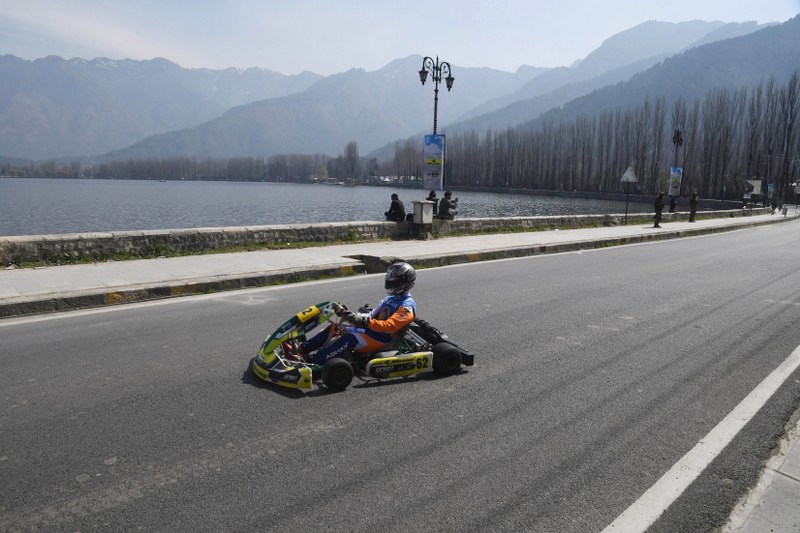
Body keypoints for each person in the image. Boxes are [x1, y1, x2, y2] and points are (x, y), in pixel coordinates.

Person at [283, 262, 417, 365]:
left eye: (393, 282)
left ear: (404, 284)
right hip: (370, 332)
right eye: (389, 281)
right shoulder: (390, 299)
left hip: (381, 339)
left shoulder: (407, 307)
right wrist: (349, 314)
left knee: (350, 338)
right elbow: (371, 315)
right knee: (335, 327)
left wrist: (363, 322)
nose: (390, 284)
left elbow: (389, 326)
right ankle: (301, 349)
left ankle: (314, 360)